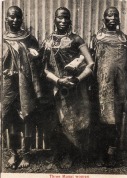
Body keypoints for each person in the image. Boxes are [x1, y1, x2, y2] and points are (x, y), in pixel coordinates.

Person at [41, 7, 94, 168]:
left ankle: (75, 155)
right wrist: (57, 81)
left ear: (70, 21)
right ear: (55, 20)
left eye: (66, 18)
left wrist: (77, 79)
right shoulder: (47, 41)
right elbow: (43, 69)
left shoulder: (76, 39)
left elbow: (91, 63)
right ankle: (62, 154)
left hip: (76, 87)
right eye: (60, 18)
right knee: (61, 120)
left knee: (77, 121)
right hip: (58, 87)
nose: (63, 21)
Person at [2, 6, 42, 169]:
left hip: (25, 84)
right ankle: (13, 153)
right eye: (12, 17)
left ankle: (26, 153)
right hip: (8, 85)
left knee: (27, 118)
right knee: (9, 118)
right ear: (6, 19)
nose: (15, 20)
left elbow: (39, 61)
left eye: (18, 17)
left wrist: (35, 56)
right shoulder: (2, 39)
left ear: (22, 19)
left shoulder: (29, 39)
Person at [90, 7, 127, 167]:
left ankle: (112, 154)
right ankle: (100, 153)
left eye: (115, 15)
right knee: (100, 118)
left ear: (119, 19)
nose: (112, 18)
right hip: (101, 85)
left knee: (116, 119)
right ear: (103, 18)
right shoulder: (96, 38)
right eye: (109, 15)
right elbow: (91, 62)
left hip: (119, 85)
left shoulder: (124, 39)